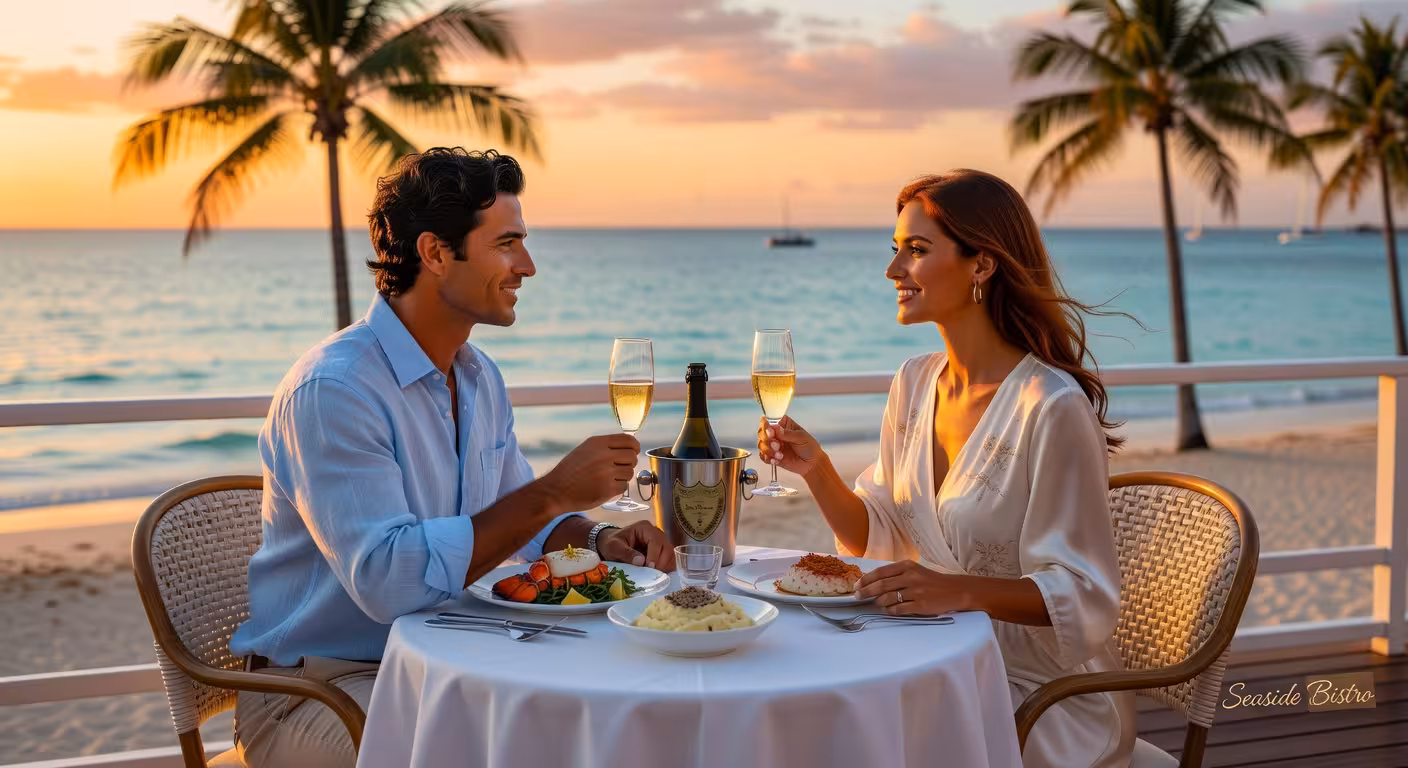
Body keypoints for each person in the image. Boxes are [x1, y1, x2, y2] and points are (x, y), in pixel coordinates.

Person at [230, 147, 674, 767]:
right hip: (322, 691)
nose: (528, 266)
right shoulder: (335, 390)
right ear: (436, 254)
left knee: (616, 718)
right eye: (506, 244)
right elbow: (390, 582)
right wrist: (551, 491)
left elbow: (522, 520)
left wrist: (598, 538)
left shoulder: (478, 376)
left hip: (446, 664)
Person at [757, 169, 1135, 768]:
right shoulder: (913, 382)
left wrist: (957, 591)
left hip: (1029, 693)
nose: (893, 270)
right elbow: (877, 535)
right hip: (923, 656)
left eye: (916, 249)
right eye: (895, 249)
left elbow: (1084, 594)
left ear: (981, 264)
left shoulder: (1051, 406)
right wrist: (818, 470)